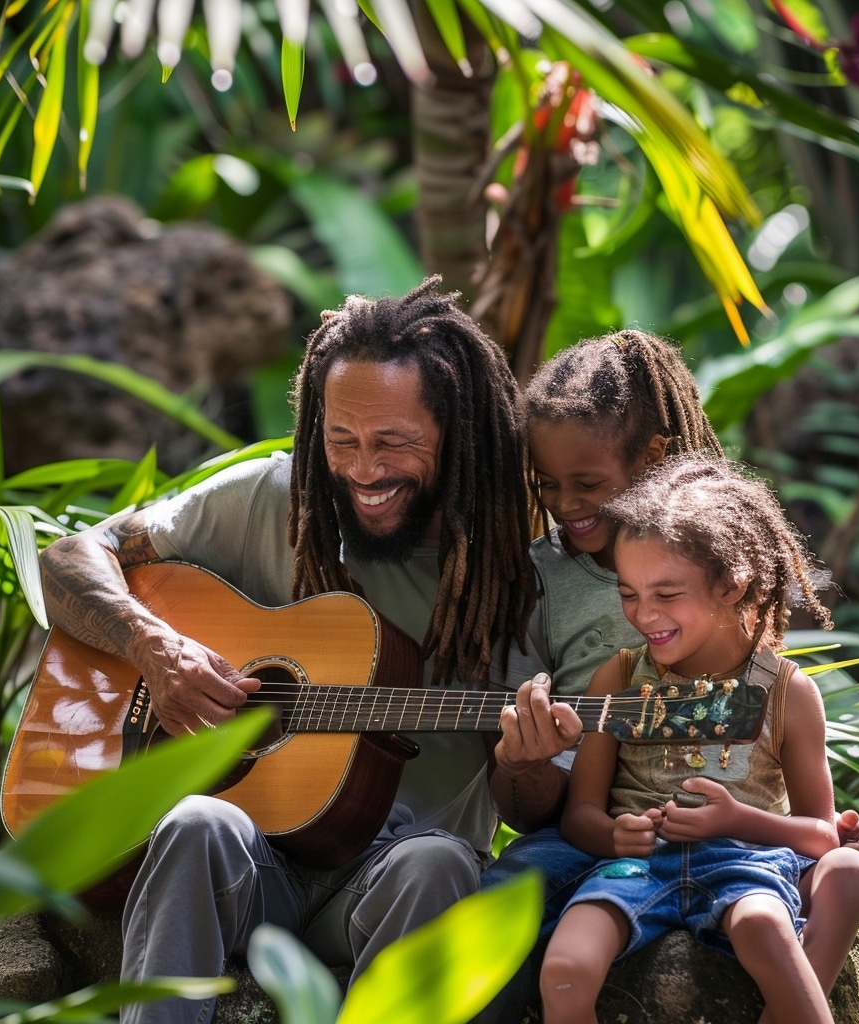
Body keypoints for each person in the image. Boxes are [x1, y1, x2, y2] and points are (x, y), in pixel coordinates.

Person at [37, 276, 540, 1024]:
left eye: (393, 443)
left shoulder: (513, 571)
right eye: (342, 440)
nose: (364, 470)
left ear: (456, 434)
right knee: (194, 821)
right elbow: (69, 558)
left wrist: (525, 760)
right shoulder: (272, 501)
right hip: (252, 870)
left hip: (388, 886)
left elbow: (528, 808)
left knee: (438, 862)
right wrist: (153, 647)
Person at [478, 332, 859, 1024]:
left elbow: (801, 796)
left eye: (589, 485)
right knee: (511, 891)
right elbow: (551, 809)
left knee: (834, 875)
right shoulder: (541, 582)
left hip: (734, 851)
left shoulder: (712, 557)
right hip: (610, 833)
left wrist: (811, 835)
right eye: (546, 485)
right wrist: (531, 766)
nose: (565, 504)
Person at [539, 455, 859, 1024]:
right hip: (635, 870)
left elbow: (820, 837)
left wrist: (737, 822)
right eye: (628, 593)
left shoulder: (786, 694)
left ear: (731, 583)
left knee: (766, 928)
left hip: (745, 866)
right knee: (564, 969)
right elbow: (580, 817)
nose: (644, 615)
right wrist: (615, 835)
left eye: (666, 595)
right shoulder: (620, 677)